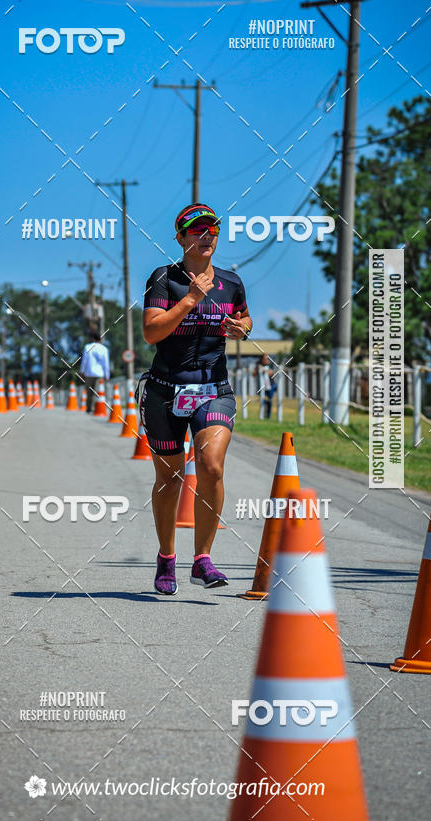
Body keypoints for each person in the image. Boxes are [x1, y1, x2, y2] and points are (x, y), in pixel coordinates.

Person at [141, 203, 252, 595]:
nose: (206, 237)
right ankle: (167, 557)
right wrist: (189, 299)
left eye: (212, 231)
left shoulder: (231, 282)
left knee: (211, 467)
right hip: (164, 391)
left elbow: (244, 316)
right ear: (180, 238)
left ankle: (203, 559)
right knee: (169, 479)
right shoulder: (164, 279)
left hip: (213, 390)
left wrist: (240, 328)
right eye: (196, 231)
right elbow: (152, 332)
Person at [79, 328, 110, 413]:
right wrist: (107, 375)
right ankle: (98, 408)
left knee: (89, 392)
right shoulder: (104, 349)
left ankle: (89, 408)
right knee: (98, 391)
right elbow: (106, 364)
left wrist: (82, 371)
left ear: (92, 338)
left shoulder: (87, 347)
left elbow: (84, 361)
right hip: (100, 374)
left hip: (89, 373)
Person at [256, 354, 276, 418]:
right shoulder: (258, 365)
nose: (266, 360)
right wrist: (258, 369)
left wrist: (264, 370)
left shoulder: (271, 365)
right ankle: (263, 414)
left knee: (269, 401)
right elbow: (253, 374)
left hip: (270, 386)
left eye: (267, 359)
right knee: (263, 400)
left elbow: (271, 373)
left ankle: (268, 416)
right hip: (262, 386)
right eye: (265, 359)